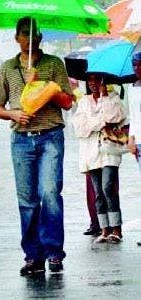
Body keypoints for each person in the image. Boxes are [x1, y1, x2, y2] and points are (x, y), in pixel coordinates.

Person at [0, 16, 73, 275]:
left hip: (50, 136)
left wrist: (42, 85)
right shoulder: (7, 68)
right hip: (21, 141)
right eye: (24, 33)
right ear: (17, 37)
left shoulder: (54, 64)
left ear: (40, 38)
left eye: (34, 33)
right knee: (27, 200)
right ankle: (33, 256)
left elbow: (67, 102)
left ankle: (54, 252)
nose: (29, 37)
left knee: (49, 193)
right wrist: (13, 114)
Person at [72, 74, 126, 244]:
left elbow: (114, 118)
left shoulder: (113, 98)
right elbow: (80, 129)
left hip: (109, 150)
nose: (93, 84)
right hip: (90, 153)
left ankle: (116, 229)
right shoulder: (84, 102)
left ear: (103, 81)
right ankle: (104, 230)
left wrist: (104, 98)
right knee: (98, 193)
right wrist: (100, 122)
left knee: (108, 187)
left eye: (97, 80)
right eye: (90, 80)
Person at [127, 52, 141, 246]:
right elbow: (133, 116)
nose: (138, 68)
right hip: (139, 141)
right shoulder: (132, 89)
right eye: (135, 65)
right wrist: (130, 140)